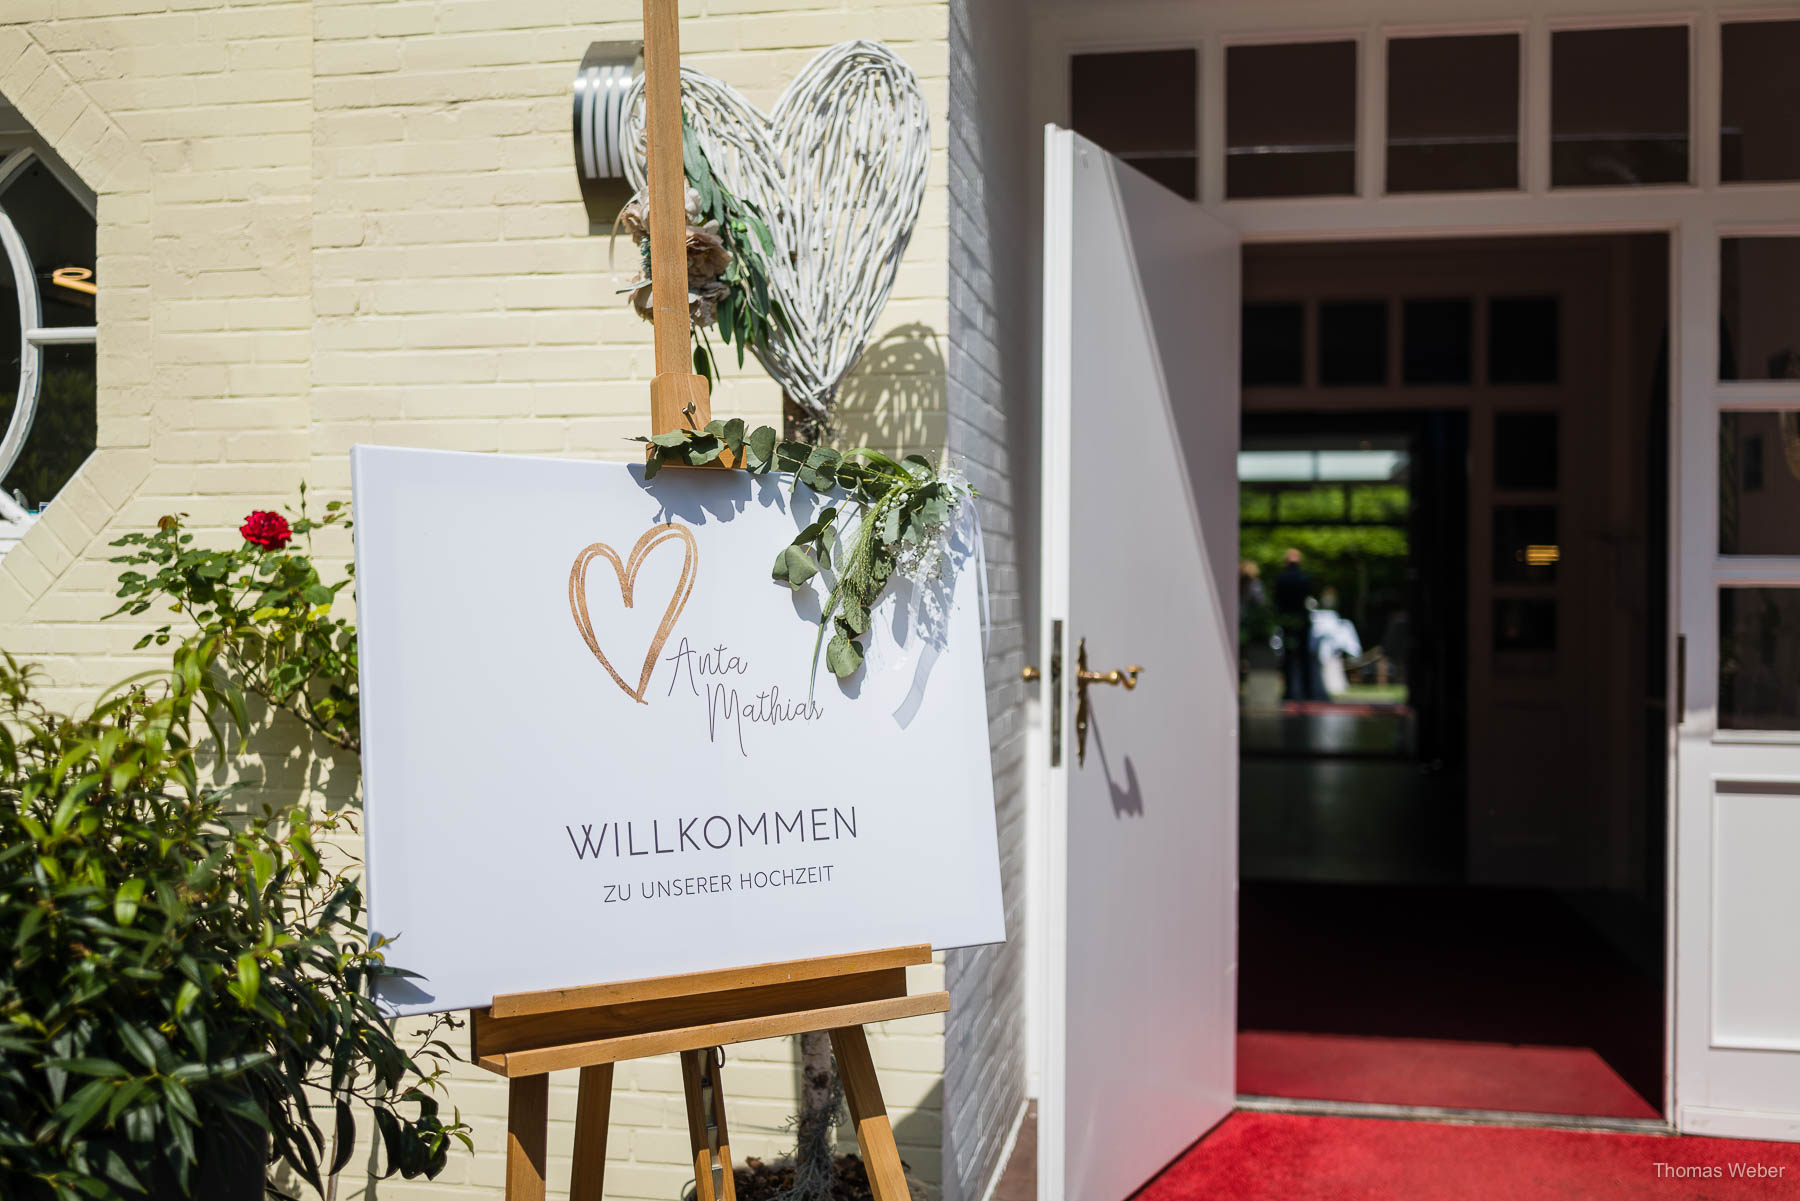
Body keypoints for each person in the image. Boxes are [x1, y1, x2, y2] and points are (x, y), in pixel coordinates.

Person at [1273, 548, 1316, 701]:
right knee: (1304, 657)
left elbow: (1276, 599)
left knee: (1289, 657)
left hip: (1288, 620)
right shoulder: (1304, 577)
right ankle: (1307, 691)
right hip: (1301, 619)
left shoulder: (1281, 578)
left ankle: (1290, 691)